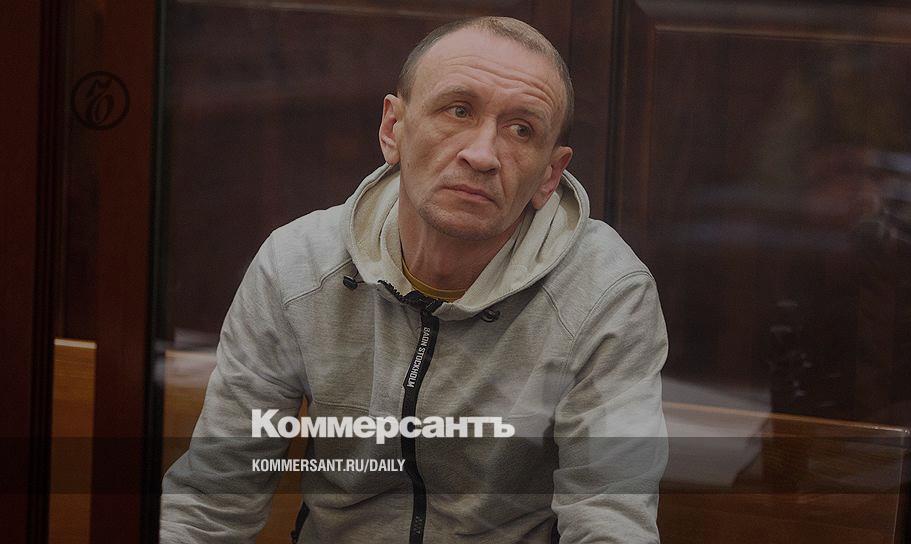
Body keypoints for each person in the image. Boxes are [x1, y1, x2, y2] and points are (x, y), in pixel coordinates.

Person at [161, 16, 668, 543]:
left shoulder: (606, 293)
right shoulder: (298, 265)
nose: (482, 155)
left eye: (522, 129)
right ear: (393, 129)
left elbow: (608, 517)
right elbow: (210, 504)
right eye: (458, 110)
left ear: (550, 173)